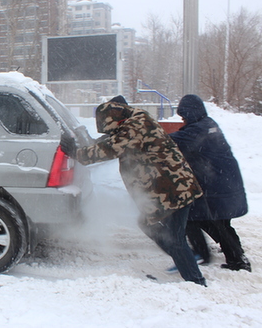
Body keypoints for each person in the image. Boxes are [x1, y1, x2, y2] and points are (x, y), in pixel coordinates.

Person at [61, 96, 206, 286]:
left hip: (173, 189)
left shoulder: (135, 126)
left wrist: (76, 153)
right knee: (148, 224)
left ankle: (195, 281)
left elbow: (109, 148)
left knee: (175, 237)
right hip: (167, 189)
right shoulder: (135, 119)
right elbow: (112, 139)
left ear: (115, 120)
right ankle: (183, 261)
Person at [170, 94, 251, 272]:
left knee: (196, 219)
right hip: (224, 184)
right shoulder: (208, 124)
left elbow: (170, 142)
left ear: (191, 112)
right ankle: (236, 257)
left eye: (184, 116)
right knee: (218, 223)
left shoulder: (198, 130)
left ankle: (213, 256)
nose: (183, 119)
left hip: (218, 186)